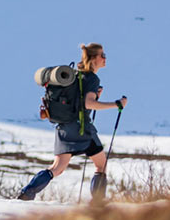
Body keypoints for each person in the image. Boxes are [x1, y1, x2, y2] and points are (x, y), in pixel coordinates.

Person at [18, 42, 128, 201]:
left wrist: (96, 96)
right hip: (81, 129)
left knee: (57, 168)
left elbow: (78, 102)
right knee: (101, 165)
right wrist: (116, 104)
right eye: (102, 55)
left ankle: (27, 193)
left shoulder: (76, 76)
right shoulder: (91, 78)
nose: (105, 58)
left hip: (64, 127)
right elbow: (88, 104)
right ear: (93, 58)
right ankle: (98, 204)